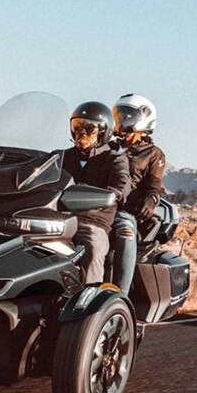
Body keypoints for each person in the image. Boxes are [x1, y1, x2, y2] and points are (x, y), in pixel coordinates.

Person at [60, 101, 131, 285]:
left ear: (103, 132)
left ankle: (90, 305)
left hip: (92, 222)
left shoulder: (114, 159)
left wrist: (112, 194)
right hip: (58, 217)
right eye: (77, 126)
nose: (81, 132)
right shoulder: (61, 156)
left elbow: (122, 184)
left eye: (88, 128)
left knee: (93, 250)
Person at [110, 94, 166, 293]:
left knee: (126, 231)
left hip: (124, 209)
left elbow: (154, 184)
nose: (121, 120)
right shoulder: (108, 146)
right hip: (95, 203)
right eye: (119, 115)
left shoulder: (153, 153)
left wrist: (151, 201)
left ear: (143, 118)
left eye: (126, 115)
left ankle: (119, 296)